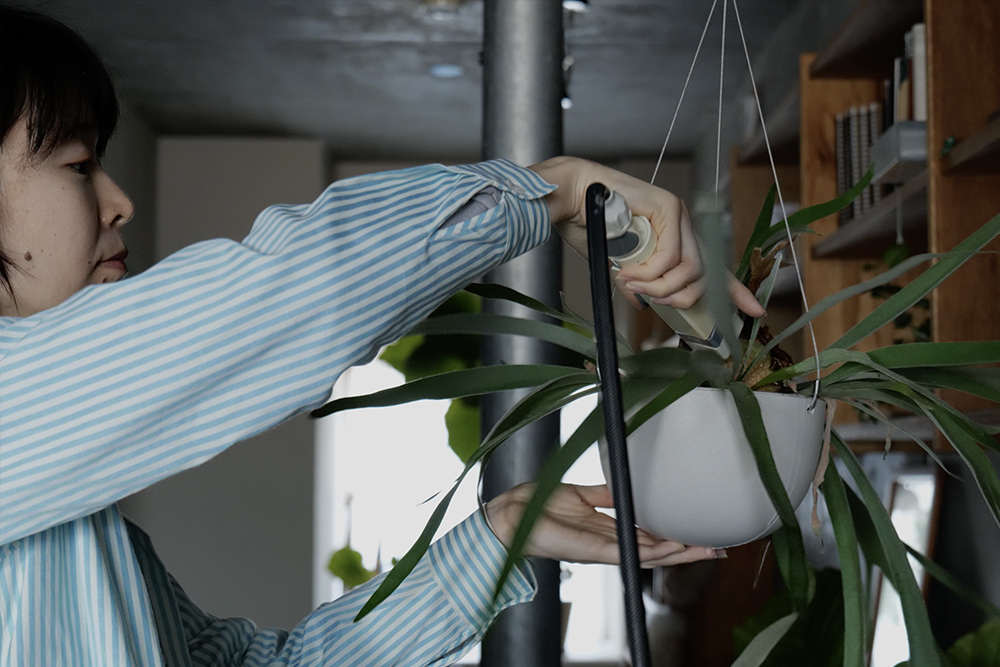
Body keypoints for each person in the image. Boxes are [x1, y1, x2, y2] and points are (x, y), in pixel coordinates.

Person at [0, 5, 764, 666]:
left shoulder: (77, 522)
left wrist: (495, 541)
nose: (118, 200)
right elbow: (294, 297)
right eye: (78, 163)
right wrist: (549, 191)